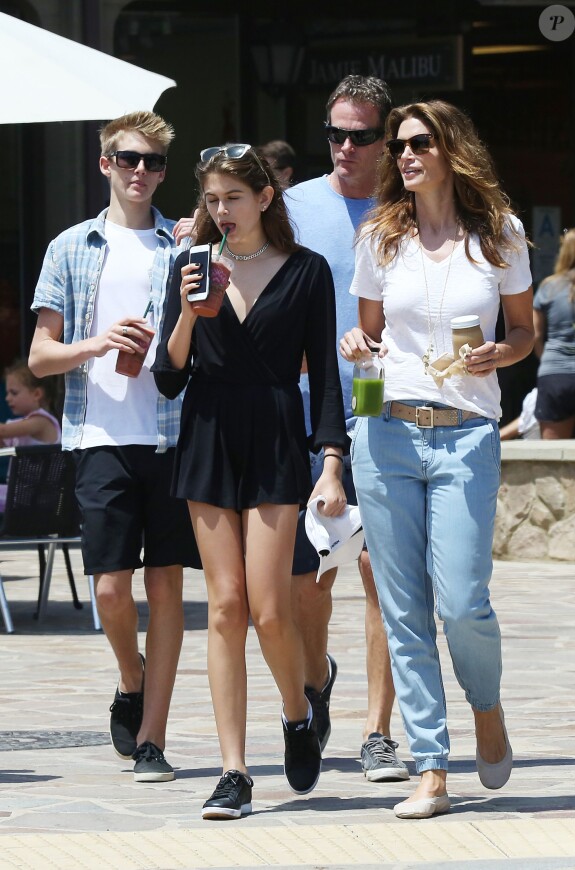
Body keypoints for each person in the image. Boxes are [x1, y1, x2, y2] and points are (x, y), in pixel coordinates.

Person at [340, 99, 534, 818]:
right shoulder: (380, 236)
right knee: (403, 608)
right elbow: (363, 337)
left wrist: (500, 353)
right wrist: (355, 359)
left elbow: (523, 334)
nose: (404, 154)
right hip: (386, 431)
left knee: (460, 600)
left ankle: (486, 707)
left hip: (467, 432)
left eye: (419, 142)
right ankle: (430, 765)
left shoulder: (500, 234)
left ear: (452, 147)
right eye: (398, 145)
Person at [152, 143, 348, 820]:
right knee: (226, 606)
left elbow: (325, 376)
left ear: (265, 198)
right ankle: (233, 770)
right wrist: (186, 314)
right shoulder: (190, 268)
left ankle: (298, 712)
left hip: (272, 437)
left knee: (270, 608)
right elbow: (167, 375)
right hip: (206, 434)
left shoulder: (307, 271)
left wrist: (331, 462)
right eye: (211, 200)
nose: (221, 211)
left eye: (233, 197)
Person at [28, 110, 200, 785]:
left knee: (167, 588)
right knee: (108, 588)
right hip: (97, 435)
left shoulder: (182, 245)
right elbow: (41, 358)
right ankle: (130, 679)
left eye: (153, 162)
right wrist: (97, 344)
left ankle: (152, 736)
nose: (140, 172)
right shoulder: (71, 246)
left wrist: (206, 246)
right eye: (128, 159)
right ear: (105, 164)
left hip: (172, 436)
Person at [284, 74, 409, 783]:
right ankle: (316, 673)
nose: (345, 147)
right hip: (308, 413)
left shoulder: (409, 208)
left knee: (380, 571)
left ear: (386, 141)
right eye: (335, 133)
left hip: (390, 404)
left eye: (361, 135)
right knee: (310, 579)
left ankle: (377, 731)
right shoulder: (295, 207)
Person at [533, 228, 575, 439]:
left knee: (552, 455)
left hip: (554, 374)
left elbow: (535, 335)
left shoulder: (548, 287)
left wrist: (547, 360)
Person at [0, 360, 61, 512]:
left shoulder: (41, 422)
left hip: (36, 497)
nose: (7, 398)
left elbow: (4, 431)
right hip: (23, 494)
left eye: (13, 393)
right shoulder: (22, 424)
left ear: (37, 394)